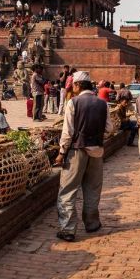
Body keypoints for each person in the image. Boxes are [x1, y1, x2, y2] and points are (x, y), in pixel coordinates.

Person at [54, 71, 114, 242]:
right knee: (92, 188)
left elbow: (68, 132)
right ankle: (92, 223)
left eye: (73, 85)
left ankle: (68, 229)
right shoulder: (103, 104)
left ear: (78, 85)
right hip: (97, 151)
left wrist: (61, 153)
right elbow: (110, 129)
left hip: (77, 150)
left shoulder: (74, 102)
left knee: (68, 190)